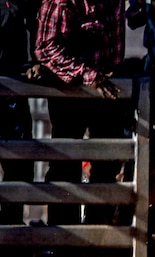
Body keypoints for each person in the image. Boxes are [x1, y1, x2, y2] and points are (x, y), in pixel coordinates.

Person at [35, 0, 133, 226]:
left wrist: (106, 75)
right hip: (70, 90)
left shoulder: (113, 3)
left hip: (104, 87)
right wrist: (88, 75)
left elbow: (115, 51)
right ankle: (64, 239)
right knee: (64, 164)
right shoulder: (60, 2)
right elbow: (46, 46)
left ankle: (98, 235)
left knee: (107, 162)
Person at [0, 0, 38, 225]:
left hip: (14, 90)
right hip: (9, 87)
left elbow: (37, 27)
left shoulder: (22, 3)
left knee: (21, 164)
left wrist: (36, 61)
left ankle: (11, 230)